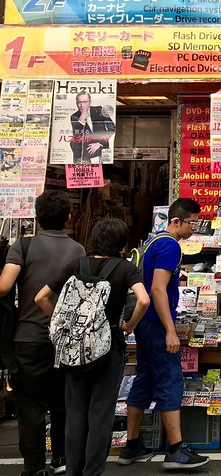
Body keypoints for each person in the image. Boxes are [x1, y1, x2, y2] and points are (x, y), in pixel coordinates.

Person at [35, 218, 150, 476]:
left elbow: (40, 297)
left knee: (75, 412)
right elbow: (143, 299)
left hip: (75, 348)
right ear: (122, 242)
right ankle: (93, 471)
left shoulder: (77, 265)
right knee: (101, 412)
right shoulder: (125, 268)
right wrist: (129, 325)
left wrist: (63, 322)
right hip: (109, 347)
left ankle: (73, 470)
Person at [120, 198, 209, 471]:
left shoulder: (152, 242)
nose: (195, 228)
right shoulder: (170, 245)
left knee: (145, 380)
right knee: (170, 380)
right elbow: (158, 289)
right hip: (157, 324)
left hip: (145, 323)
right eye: (192, 222)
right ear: (176, 222)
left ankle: (131, 445)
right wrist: (171, 330)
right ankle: (175, 450)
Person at [0, 190, 85, 476]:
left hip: (27, 339)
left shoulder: (22, 247)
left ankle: (34, 469)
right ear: (69, 218)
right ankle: (61, 459)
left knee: (30, 407)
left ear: (37, 218)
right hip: (65, 340)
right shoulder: (78, 250)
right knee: (64, 402)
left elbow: (3, 286)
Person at [69, 90, 116, 164]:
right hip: (87, 148)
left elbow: (112, 128)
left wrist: (99, 143)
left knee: (105, 164)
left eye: (84, 102)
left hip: (101, 144)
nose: (81, 105)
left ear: (90, 102)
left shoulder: (99, 110)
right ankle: (82, 169)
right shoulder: (74, 117)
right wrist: (81, 120)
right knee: (74, 145)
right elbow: (77, 137)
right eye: (79, 102)